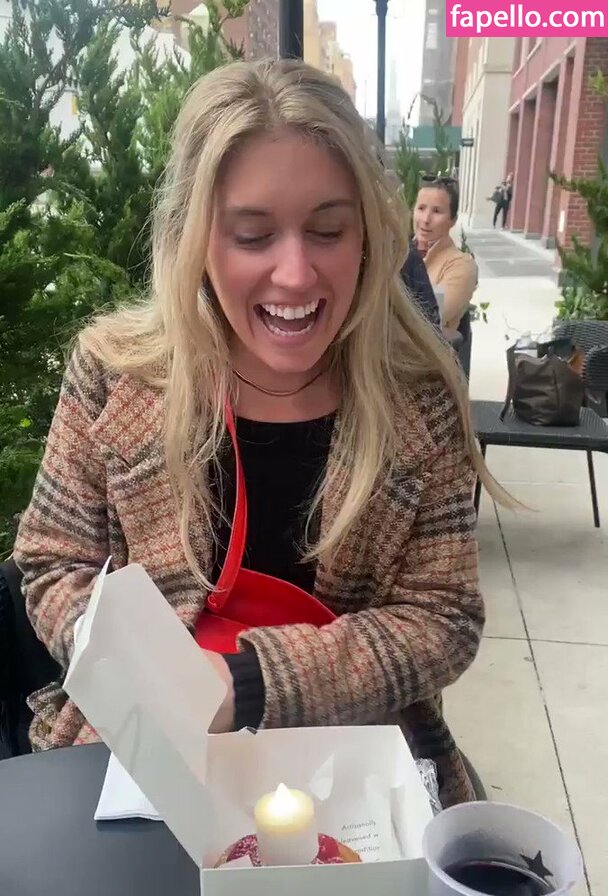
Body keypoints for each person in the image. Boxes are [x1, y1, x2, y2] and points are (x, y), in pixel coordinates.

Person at [13, 60, 505, 808]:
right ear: (195, 238)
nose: (295, 274)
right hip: (142, 750)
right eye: (252, 236)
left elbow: (443, 618)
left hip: (355, 765)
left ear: (367, 235)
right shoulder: (115, 374)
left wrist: (250, 682)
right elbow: (53, 562)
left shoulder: (417, 398)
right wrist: (151, 679)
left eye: (328, 230)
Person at [413, 177, 477, 334]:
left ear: (452, 220)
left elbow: (428, 319)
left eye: (436, 211)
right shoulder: (396, 253)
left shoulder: (461, 265)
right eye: (421, 208)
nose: (425, 219)